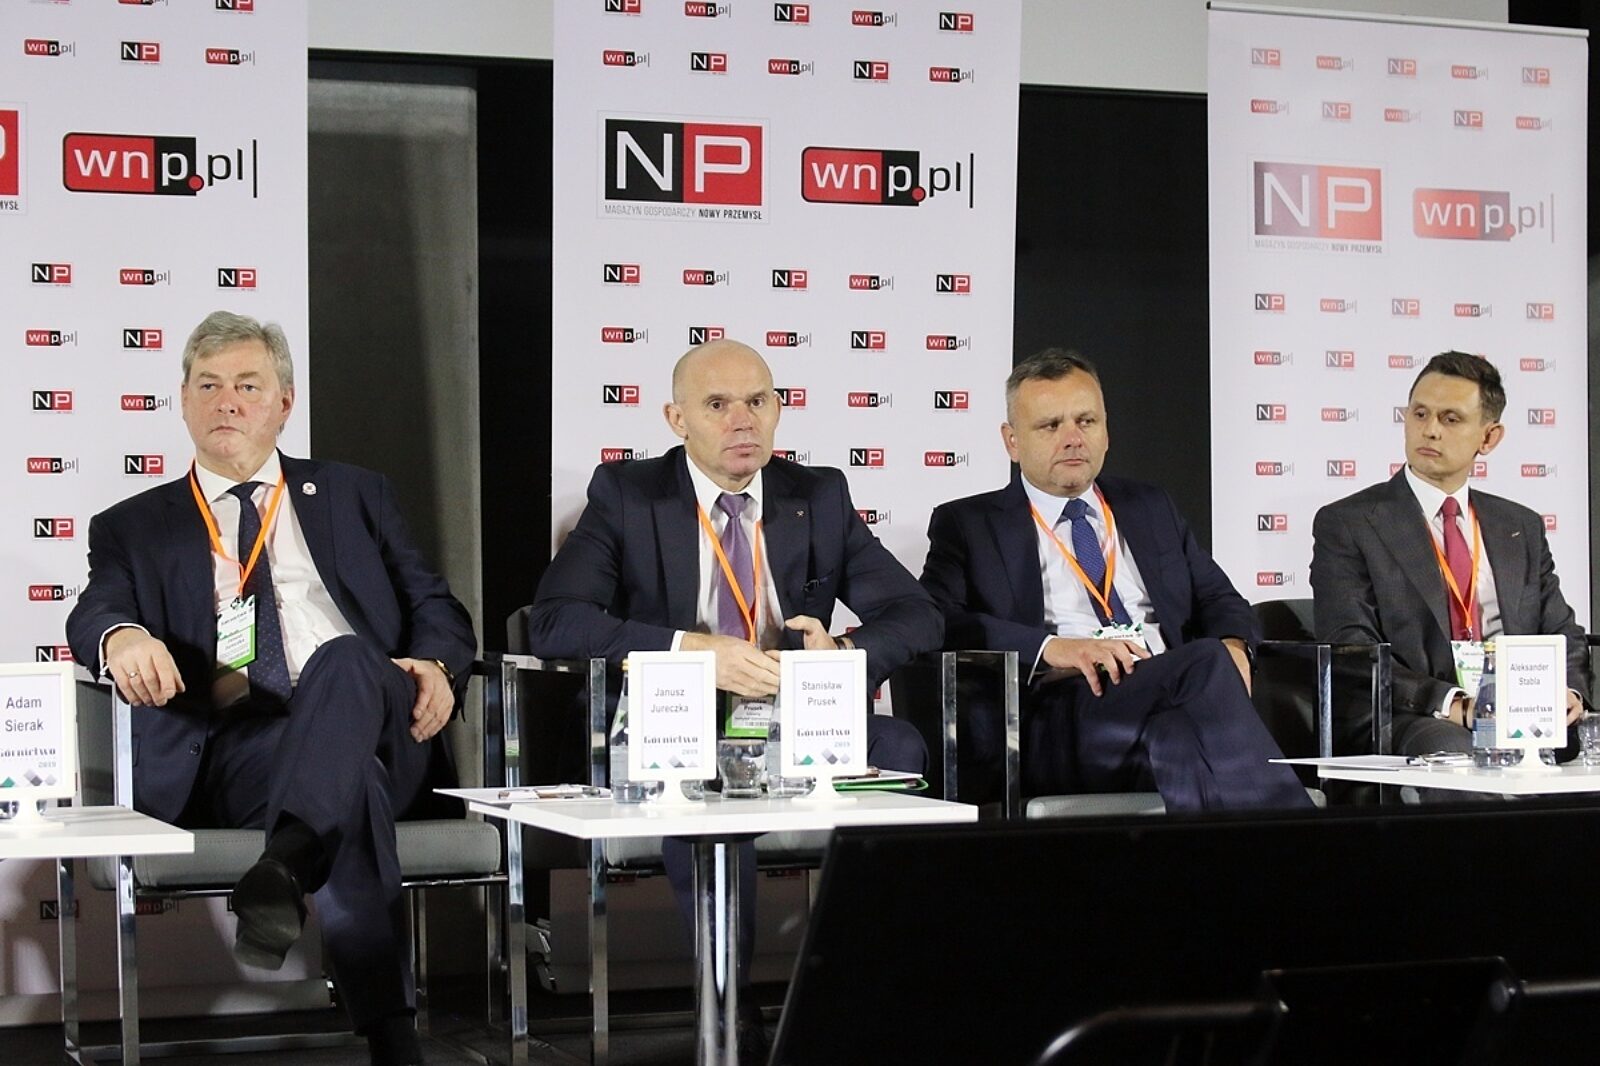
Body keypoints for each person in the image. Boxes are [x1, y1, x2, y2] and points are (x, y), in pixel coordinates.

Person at [65, 310, 474, 1066]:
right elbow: (97, 608)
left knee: (345, 659)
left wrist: (439, 667)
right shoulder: (133, 525)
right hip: (239, 744)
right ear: (182, 401)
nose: (227, 401)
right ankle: (301, 890)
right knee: (353, 787)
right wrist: (121, 637)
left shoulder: (356, 494)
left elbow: (437, 608)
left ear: (284, 403)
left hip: (378, 712)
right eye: (208, 385)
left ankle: (291, 870)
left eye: (247, 386)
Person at [526, 338, 939, 1047]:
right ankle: (729, 1003)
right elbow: (556, 621)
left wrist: (840, 652)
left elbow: (917, 614)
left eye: (758, 401)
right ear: (677, 419)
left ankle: (871, 982)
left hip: (794, 717)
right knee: (700, 782)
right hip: (679, 722)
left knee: (899, 747)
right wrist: (691, 652)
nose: (743, 420)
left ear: (778, 409)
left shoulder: (818, 495)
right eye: (718, 405)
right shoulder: (628, 495)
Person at [920, 348, 1309, 809]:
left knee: (1178, 735)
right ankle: (1307, 840)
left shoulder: (1149, 506)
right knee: (1205, 664)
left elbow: (1219, 598)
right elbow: (936, 620)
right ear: (1012, 442)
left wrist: (1235, 644)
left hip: (1168, 697)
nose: (1072, 439)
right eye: (1050, 426)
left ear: (1106, 431)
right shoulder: (969, 523)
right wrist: (1052, 647)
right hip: (1063, 712)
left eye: (1086, 421)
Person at [1311, 351, 1588, 758]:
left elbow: (1562, 631)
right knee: (1455, 751)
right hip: (1413, 715)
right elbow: (1351, 647)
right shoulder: (1350, 523)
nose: (1430, 430)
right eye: (1420, 414)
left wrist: (1568, 692)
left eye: (1451, 419)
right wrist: (1457, 705)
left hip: (1520, 714)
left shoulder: (1520, 526)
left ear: (1489, 438)